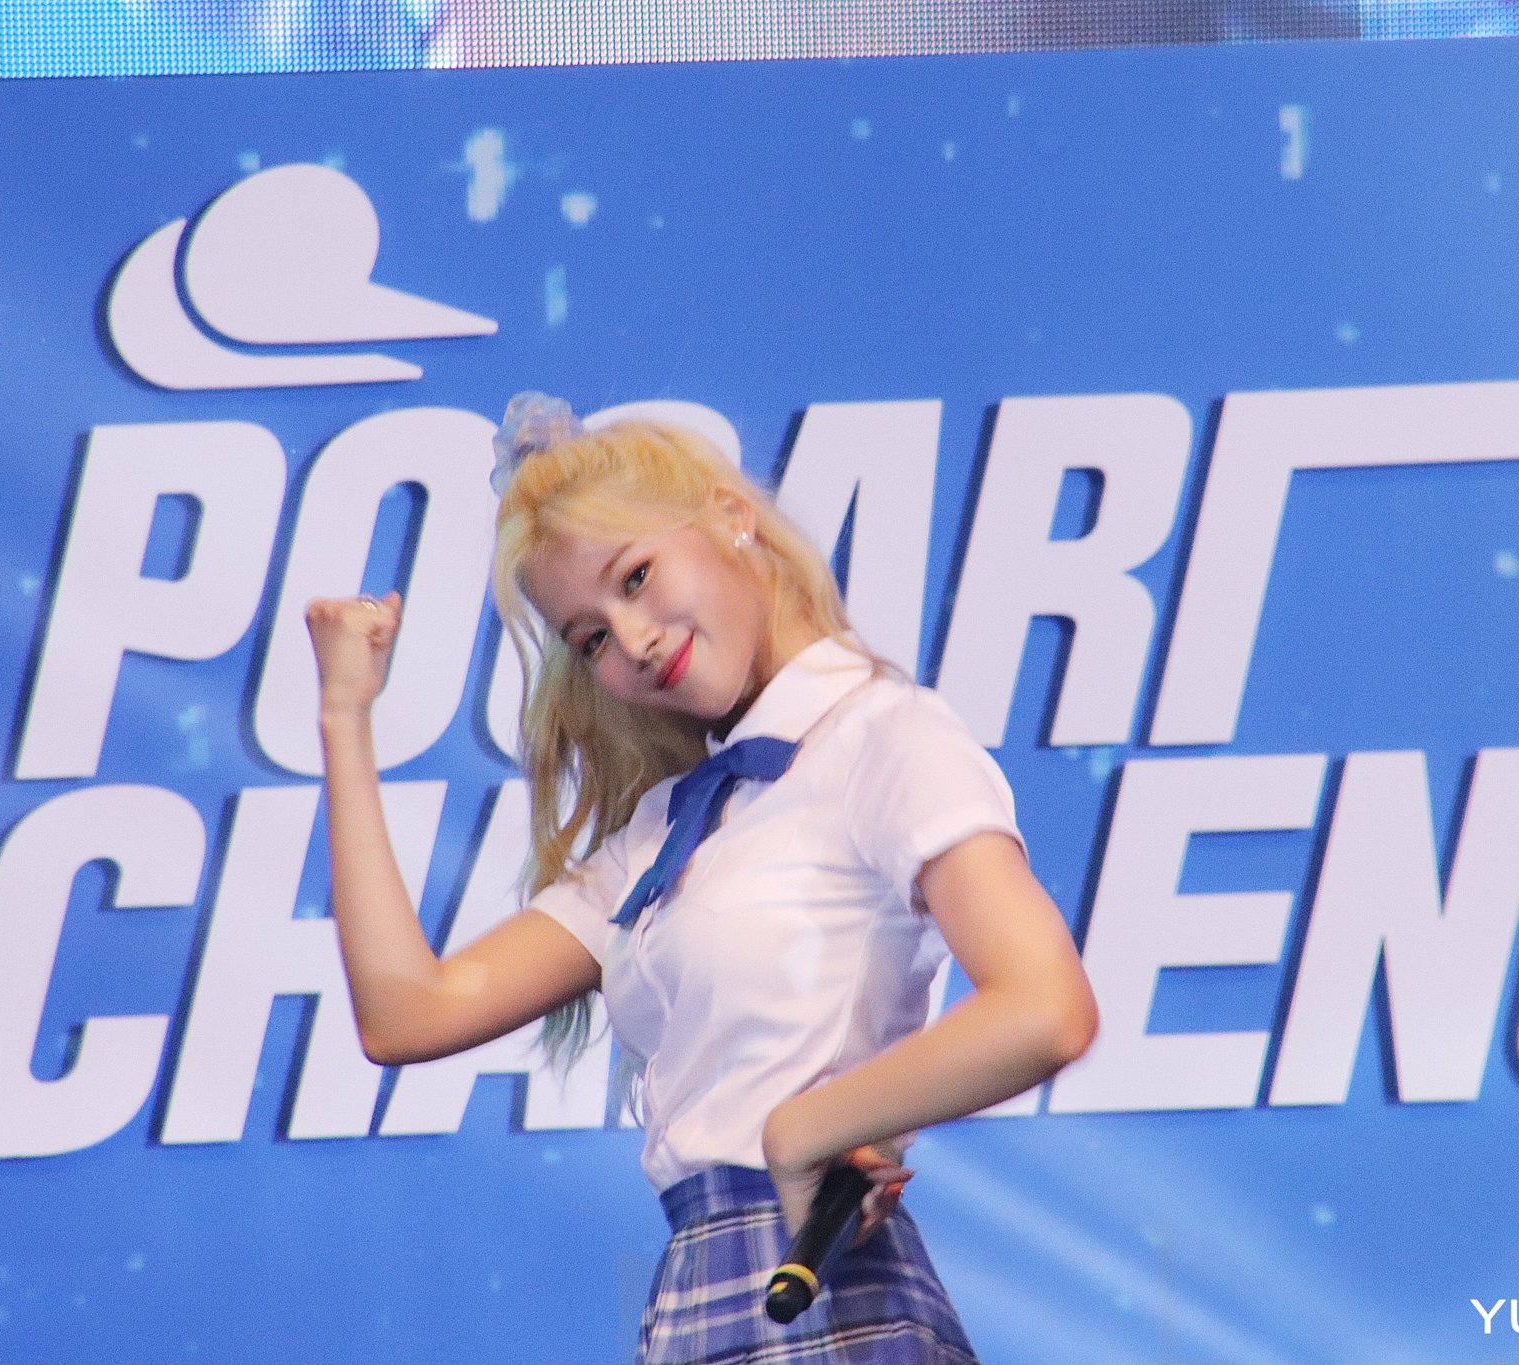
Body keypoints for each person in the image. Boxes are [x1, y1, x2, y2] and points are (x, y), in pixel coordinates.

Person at [305, 394, 1097, 1363]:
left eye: (637, 577)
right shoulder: (671, 827)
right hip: (698, 1297)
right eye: (591, 637)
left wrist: (805, 1129)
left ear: (731, 515)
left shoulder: (883, 735)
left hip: (824, 1289)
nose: (633, 640)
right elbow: (406, 1013)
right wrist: (344, 718)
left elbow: (1043, 1009)